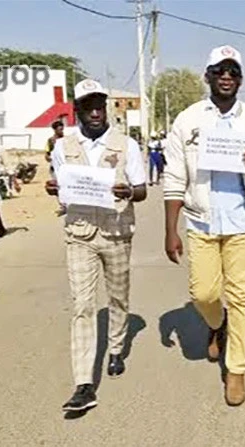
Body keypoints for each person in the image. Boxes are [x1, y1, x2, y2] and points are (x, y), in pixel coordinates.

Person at [163, 45, 245, 407]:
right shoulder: (187, 120)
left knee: (242, 298)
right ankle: (217, 324)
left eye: (233, 70)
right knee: (203, 294)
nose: (226, 76)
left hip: (244, 220)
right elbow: (173, 176)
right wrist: (171, 228)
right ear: (208, 76)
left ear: (241, 78)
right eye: (219, 70)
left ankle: (237, 370)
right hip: (201, 220)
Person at [46, 79, 147, 412]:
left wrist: (127, 192)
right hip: (79, 233)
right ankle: (84, 383)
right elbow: (62, 188)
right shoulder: (63, 147)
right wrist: (53, 189)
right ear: (77, 110)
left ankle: (116, 346)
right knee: (82, 306)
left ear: (106, 108)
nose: (95, 112)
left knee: (118, 295)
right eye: (88, 106)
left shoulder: (125, 145)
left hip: (116, 230)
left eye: (99, 105)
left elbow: (142, 190)